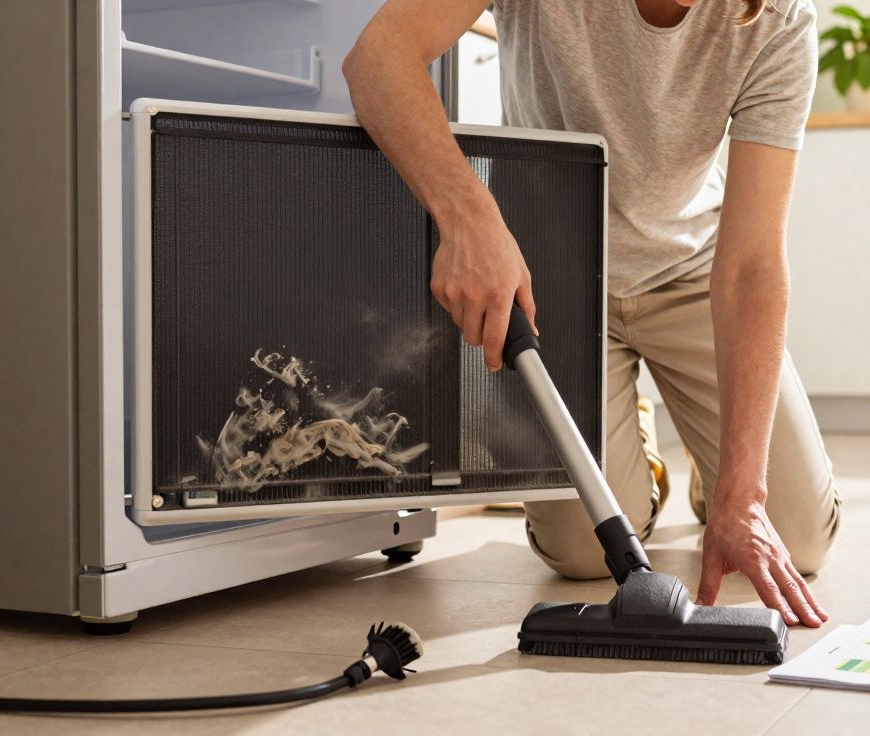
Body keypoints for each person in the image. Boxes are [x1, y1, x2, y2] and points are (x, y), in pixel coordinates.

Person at [343, 0, 841, 628]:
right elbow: (379, 56)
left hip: (690, 273)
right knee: (582, 552)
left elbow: (748, 268)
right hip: (557, 283)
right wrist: (468, 215)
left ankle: (708, 468)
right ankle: (638, 450)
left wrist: (741, 493)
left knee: (795, 537)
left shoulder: (777, 20)